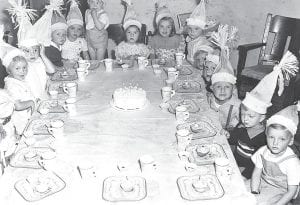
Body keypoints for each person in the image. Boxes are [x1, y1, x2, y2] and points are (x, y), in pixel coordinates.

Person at [251, 104, 300, 205]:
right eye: (271, 137)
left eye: (282, 139)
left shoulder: (291, 162)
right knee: (240, 191)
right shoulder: (263, 151)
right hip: (264, 182)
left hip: (282, 191)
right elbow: (256, 173)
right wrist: (254, 191)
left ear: (290, 141)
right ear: (266, 136)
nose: (275, 143)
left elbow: (291, 191)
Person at [7, 1, 56, 99]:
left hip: (43, 97)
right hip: (31, 100)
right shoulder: (22, 66)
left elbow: (52, 70)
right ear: (20, 51)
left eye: (35, 50)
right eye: (27, 51)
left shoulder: (39, 61)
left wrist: (43, 55)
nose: (32, 54)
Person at [3, 48, 35, 135]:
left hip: (28, 118)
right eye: (17, 68)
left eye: (24, 67)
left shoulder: (18, 80)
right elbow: (17, 105)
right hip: (22, 122)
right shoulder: (11, 85)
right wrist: (31, 103)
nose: (22, 71)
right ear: (9, 71)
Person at [185, 0, 218, 64]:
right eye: (190, 28)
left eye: (196, 29)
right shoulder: (190, 39)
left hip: (199, 67)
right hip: (190, 64)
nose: (192, 31)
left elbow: (204, 59)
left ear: (202, 30)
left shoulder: (202, 42)